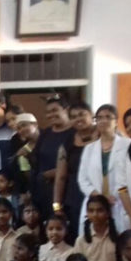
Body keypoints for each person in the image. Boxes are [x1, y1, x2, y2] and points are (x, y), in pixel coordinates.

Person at [77, 104, 131, 235]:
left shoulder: (127, 144)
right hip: (95, 204)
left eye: (108, 117)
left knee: (122, 239)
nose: (103, 121)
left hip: (120, 202)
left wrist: (113, 197)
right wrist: (100, 197)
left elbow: (126, 179)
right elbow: (82, 179)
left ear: (116, 121)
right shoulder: (89, 149)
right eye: (99, 118)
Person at [53, 102, 98, 242]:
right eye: (73, 117)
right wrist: (56, 205)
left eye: (81, 114)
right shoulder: (67, 143)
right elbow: (60, 177)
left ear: (91, 114)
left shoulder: (106, 135)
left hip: (101, 192)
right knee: (79, 237)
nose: (78, 119)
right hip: (75, 197)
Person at [31, 95, 73, 218]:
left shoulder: (75, 133)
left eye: (55, 110)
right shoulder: (45, 134)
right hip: (44, 193)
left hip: (67, 192)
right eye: (48, 112)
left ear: (66, 110)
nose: (51, 115)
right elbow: (36, 160)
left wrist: (53, 173)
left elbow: (77, 163)